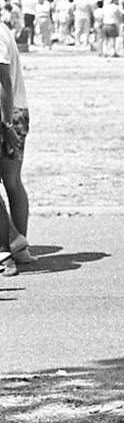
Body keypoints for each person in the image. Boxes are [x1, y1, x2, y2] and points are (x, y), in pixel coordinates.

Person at [0, 19, 32, 277]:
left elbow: (3, 82)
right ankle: (19, 246)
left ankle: (8, 247)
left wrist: (6, 122)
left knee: (10, 182)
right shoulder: (3, 28)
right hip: (15, 111)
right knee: (12, 181)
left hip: (6, 114)